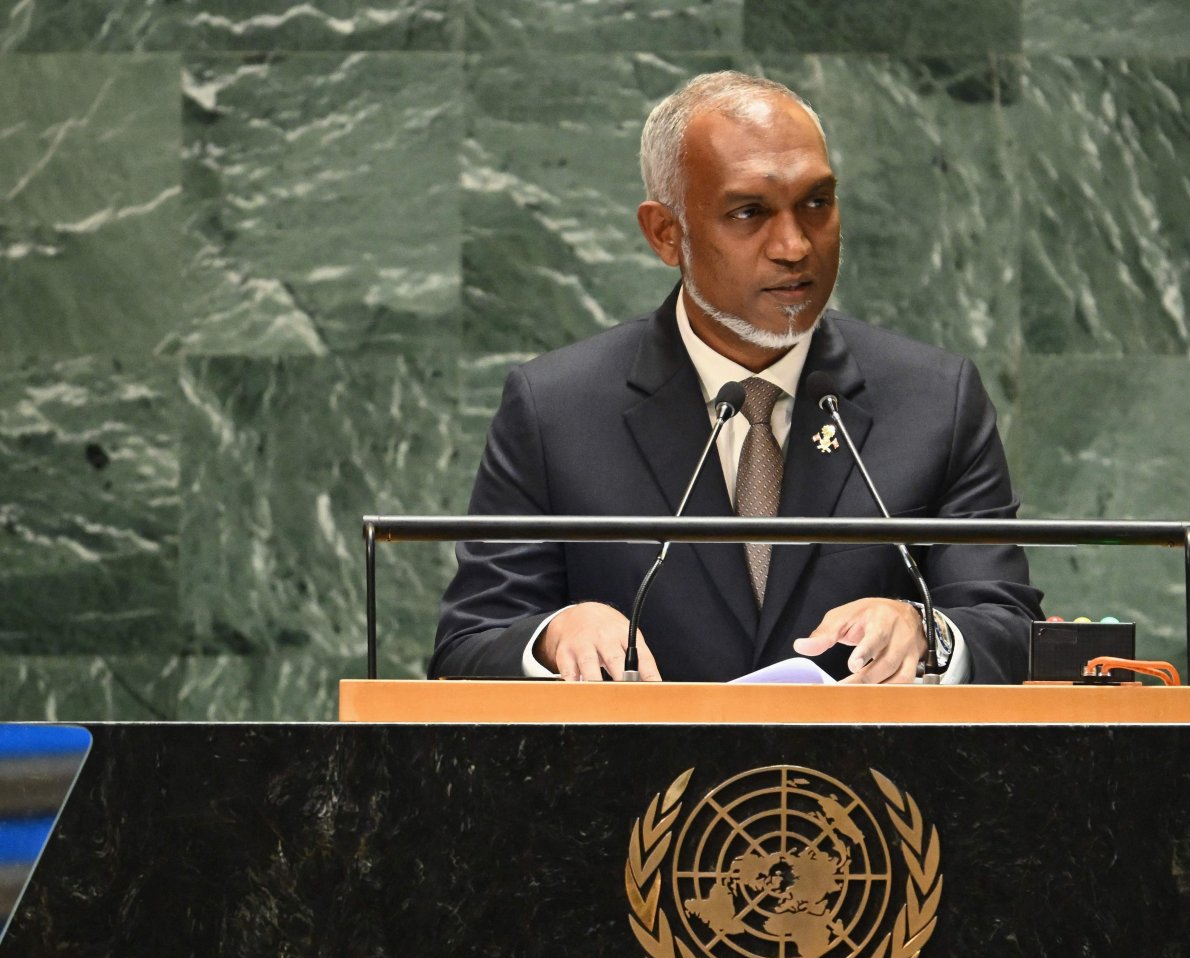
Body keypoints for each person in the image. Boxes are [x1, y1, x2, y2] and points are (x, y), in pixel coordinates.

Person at [430, 71, 1041, 684]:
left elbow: (1010, 628)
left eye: (817, 204)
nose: (795, 245)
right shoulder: (554, 410)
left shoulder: (935, 401)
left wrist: (926, 629)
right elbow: (468, 647)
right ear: (666, 233)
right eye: (749, 212)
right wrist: (553, 636)